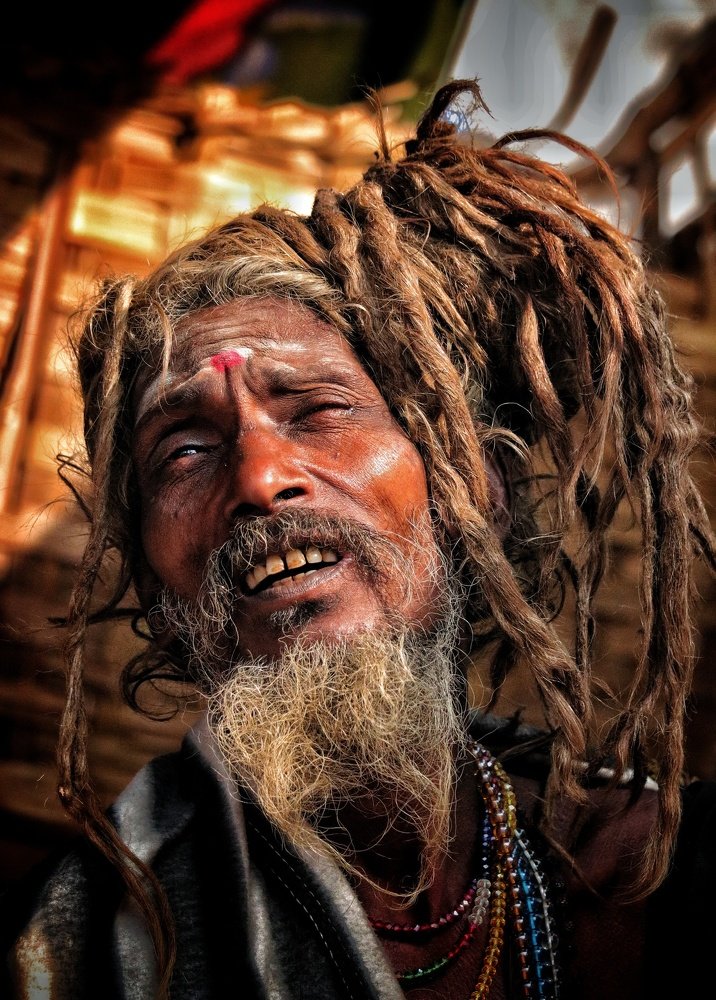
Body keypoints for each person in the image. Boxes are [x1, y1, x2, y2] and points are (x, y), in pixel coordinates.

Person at [2, 78, 715, 1000]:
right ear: (161, 595)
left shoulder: (663, 868)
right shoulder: (78, 954)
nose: (260, 478)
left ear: (472, 488)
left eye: (320, 410)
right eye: (184, 450)